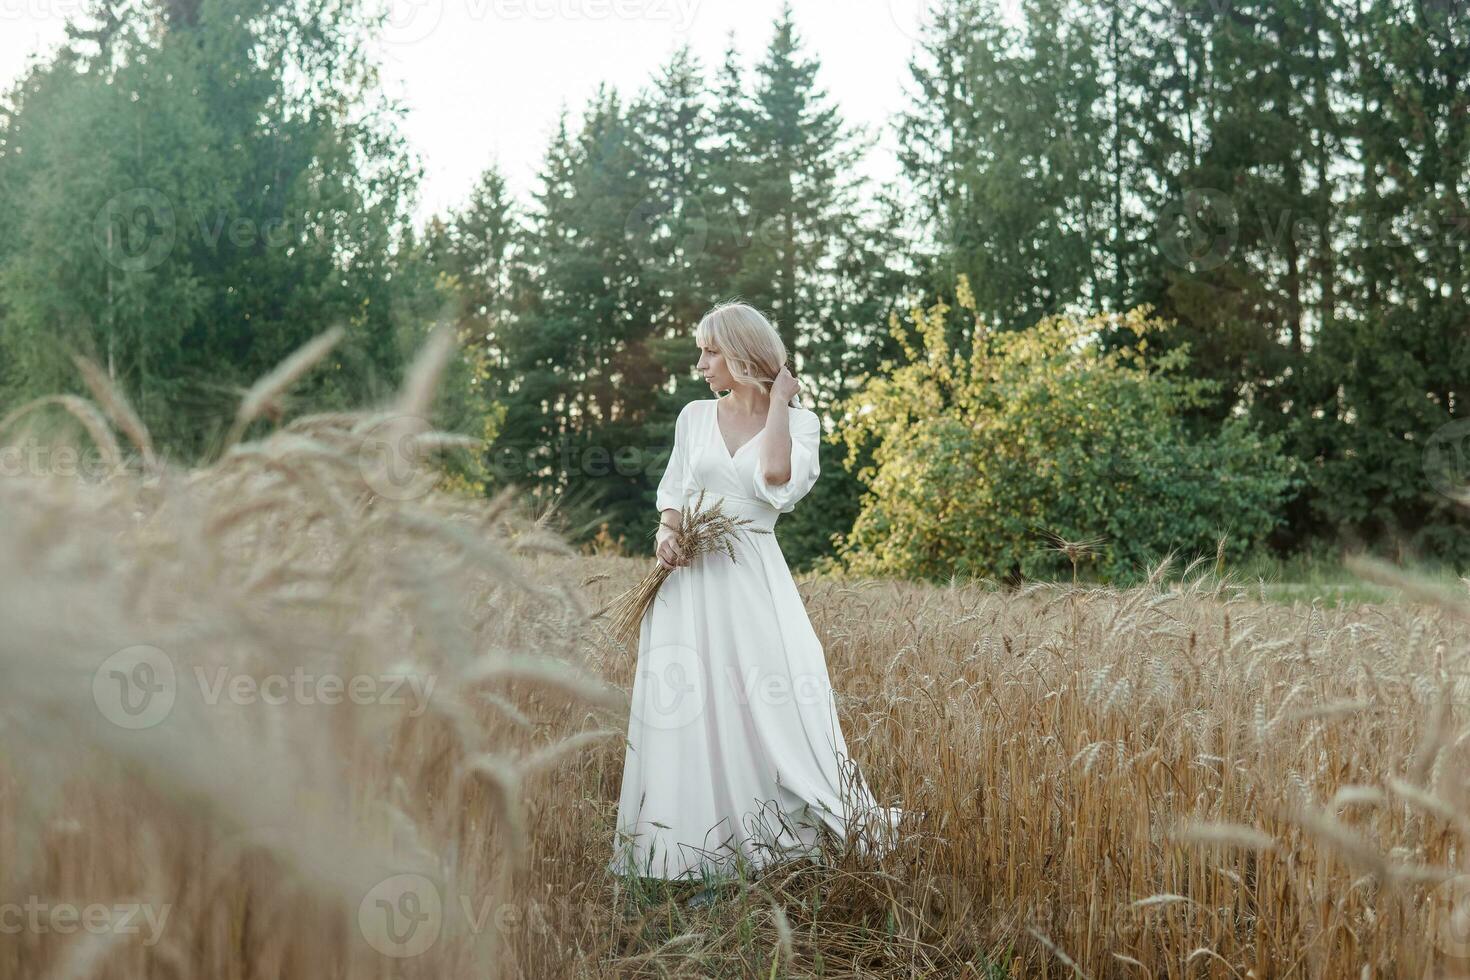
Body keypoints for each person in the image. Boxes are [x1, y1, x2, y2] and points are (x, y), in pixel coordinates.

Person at [607, 300, 902, 894]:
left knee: (767, 701)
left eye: (711, 351)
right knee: (691, 705)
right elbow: (674, 489)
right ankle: (689, 852)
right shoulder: (693, 416)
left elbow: (774, 481)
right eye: (701, 350)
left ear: (742, 355)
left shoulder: (799, 423)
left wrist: (780, 405)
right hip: (688, 583)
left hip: (751, 578)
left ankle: (773, 844)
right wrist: (667, 535)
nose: (701, 363)